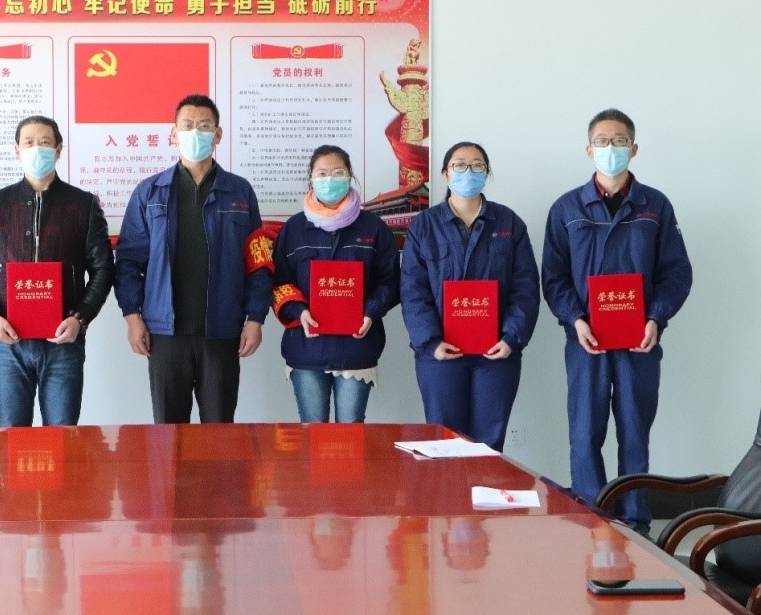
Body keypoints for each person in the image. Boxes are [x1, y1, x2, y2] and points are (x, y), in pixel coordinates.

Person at [541, 108, 692, 533]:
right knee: (585, 430)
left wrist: (656, 318)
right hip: (586, 340)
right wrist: (575, 319)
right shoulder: (567, 208)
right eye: (603, 141)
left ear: (634, 148)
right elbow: (552, 277)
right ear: (589, 149)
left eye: (620, 141)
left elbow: (676, 272)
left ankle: (634, 521)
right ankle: (591, 518)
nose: (611, 148)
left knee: (634, 430)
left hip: (638, 340)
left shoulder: (655, 206)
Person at [114, 94, 272, 423]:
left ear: (218, 134)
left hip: (222, 331)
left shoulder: (240, 192)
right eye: (187, 126)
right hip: (164, 333)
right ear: (173, 134)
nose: (195, 133)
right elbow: (128, 262)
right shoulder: (150, 192)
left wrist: (255, 318)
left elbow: (258, 263)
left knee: (219, 430)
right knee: (168, 432)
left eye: (204, 126)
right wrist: (132, 317)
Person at [0, 115, 114, 427]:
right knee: (11, 437)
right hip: (8, 340)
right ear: (16, 150)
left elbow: (102, 268)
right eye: (29, 143)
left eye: (45, 143)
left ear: (58, 150)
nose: (37, 149)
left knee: (62, 437)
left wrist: (80, 318)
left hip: (63, 339)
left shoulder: (83, 205)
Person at [400, 142, 540, 451]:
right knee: (444, 441)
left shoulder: (509, 223)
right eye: (459, 165)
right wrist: (430, 342)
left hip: (496, 354)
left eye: (477, 165)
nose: (468, 171)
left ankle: (485, 486)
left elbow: (526, 287)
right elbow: (413, 290)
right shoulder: (424, 226)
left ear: (486, 173)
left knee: (488, 445)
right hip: (440, 356)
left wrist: (511, 338)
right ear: (445, 174)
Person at [270, 145, 400, 422]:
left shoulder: (373, 227)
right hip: (306, 347)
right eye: (322, 173)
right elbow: (279, 282)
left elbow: (391, 281)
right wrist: (298, 311)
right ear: (311, 178)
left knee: (350, 433)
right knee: (312, 430)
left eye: (338, 173)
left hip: (356, 347)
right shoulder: (294, 228)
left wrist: (370, 311)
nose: (330, 180)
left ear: (350, 175)